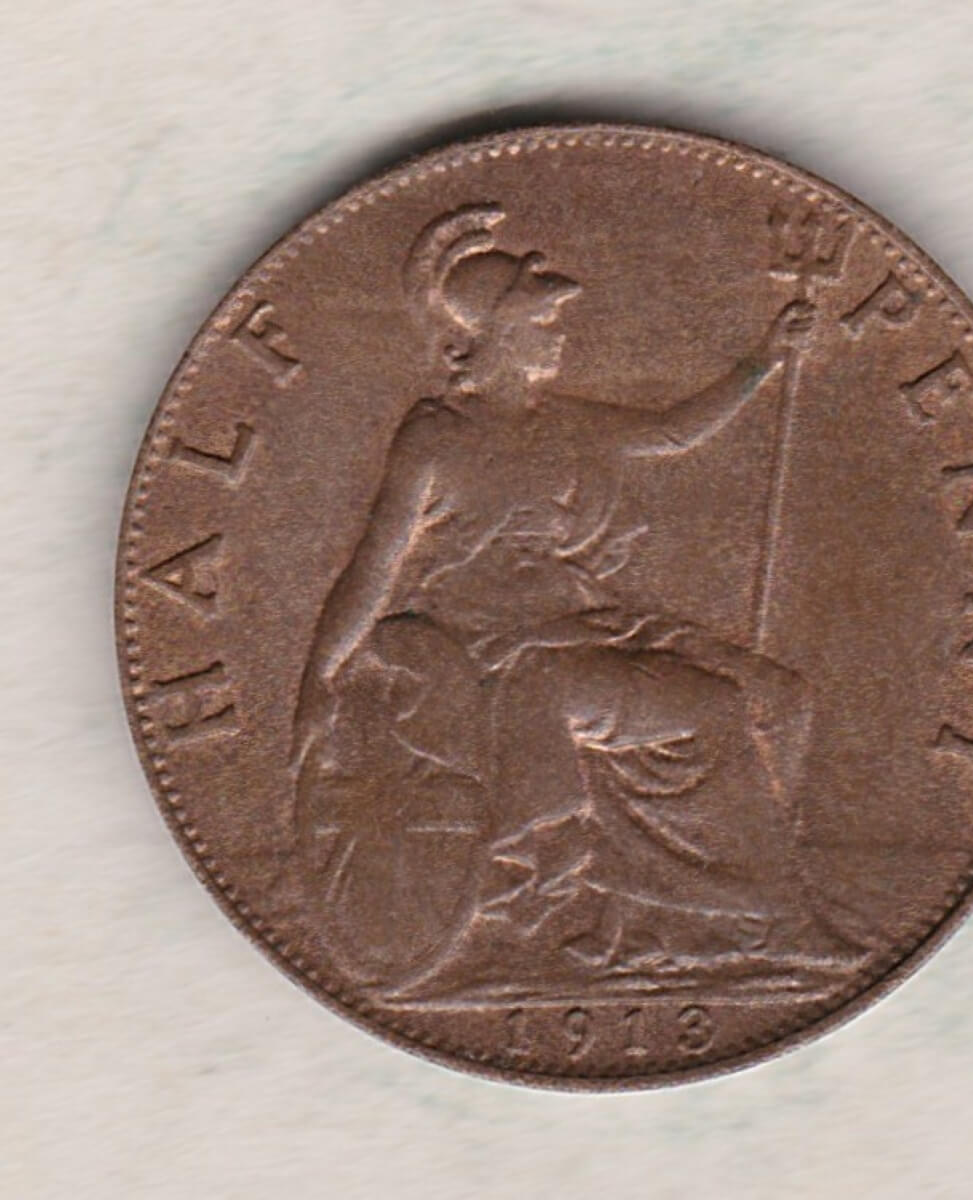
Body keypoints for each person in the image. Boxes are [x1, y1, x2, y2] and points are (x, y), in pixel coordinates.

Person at [290, 204, 829, 995]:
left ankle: (670, 921)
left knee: (779, 697)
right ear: (499, 333)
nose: (560, 336)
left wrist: (765, 362)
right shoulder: (435, 433)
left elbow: (674, 433)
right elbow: (374, 566)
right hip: (491, 650)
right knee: (710, 707)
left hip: (580, 623)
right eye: (544, 321)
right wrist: (319, 672)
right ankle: (748, 920)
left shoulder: (567, 422)